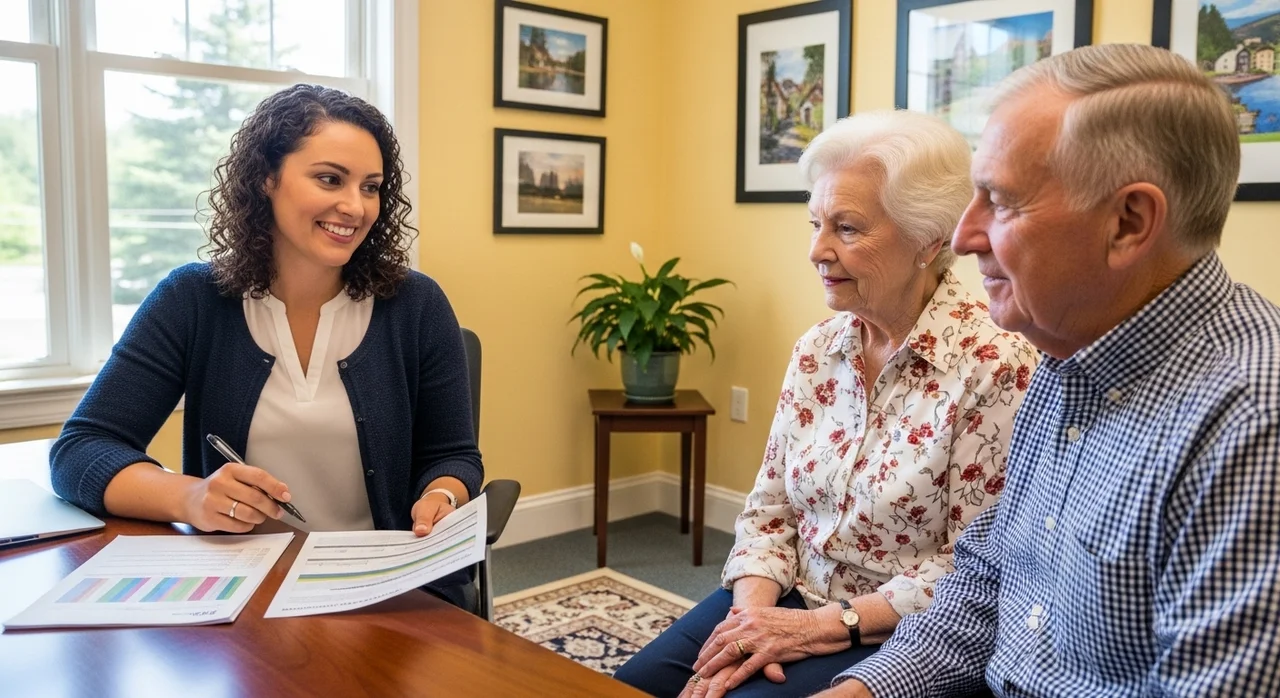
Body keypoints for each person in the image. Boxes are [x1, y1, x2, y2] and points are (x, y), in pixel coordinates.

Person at [819, 43, 1280, 698]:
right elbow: (980, 593)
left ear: (1129, 222)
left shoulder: (1251, 427)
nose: (961, 236)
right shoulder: (1069, 355)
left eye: (1000, 202)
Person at [613, 110, 1038, 698]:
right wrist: (750, 622)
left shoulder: (995, 364)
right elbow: (770, 509)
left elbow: (978, 567)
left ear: (927, 240)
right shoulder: (818, 348)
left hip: (893, 629)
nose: (817, 249)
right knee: (633, 684)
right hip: (785, 592)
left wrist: (817, 627)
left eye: (847, 228)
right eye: (815, 222)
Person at [50, 84, 483, 607]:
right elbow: (79, 451)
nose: (355, 206)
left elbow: (453, 455)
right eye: (330, 179)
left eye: (371, 187)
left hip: (389, 587)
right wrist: (192, 497)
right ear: (266, 179)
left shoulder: (416, 304)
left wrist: (442, 493)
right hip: (247, 591)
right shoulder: (193, 300)